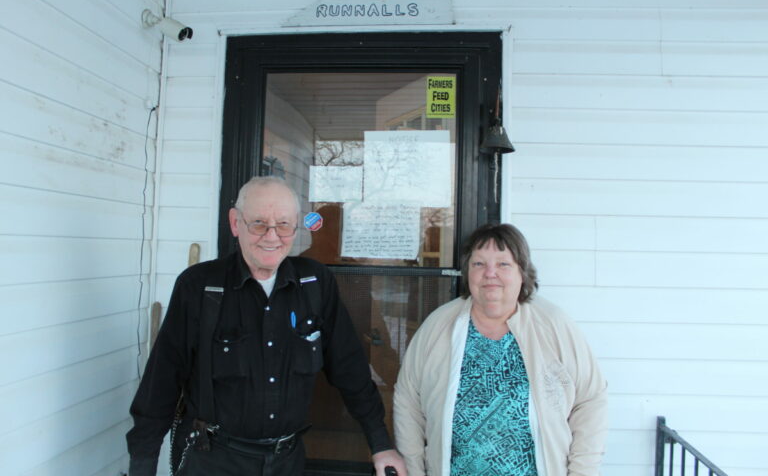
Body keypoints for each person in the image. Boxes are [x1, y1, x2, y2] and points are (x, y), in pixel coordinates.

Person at [127, 176, 406, 476]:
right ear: (236, 223)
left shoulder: (314, 283)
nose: (272, 236)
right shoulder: (200, 286)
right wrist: (142, 464)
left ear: (296, 225)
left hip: (287, 461)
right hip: (213, 460)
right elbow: (162, 381)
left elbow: (349, 367)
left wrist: (380, 443)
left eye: (283, 225)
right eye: (258, 223)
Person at [393, 223, 607, 476]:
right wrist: (415, 470)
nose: (490, 273)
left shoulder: (553, 324)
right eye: (479, 264)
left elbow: (590, 400)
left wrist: (582, 472)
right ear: (467, 272)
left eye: (503, 264)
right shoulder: (439, 325)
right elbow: (408, 400)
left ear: (522, 272)